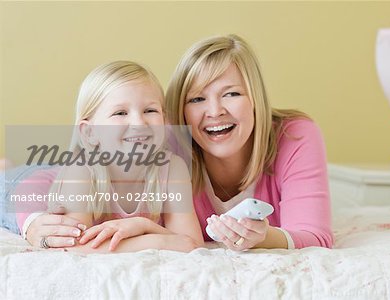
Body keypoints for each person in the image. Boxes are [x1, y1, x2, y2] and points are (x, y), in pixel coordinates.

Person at [164, 34, 333, 250]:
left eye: (231, 94)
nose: (215, 111)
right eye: (197, 99)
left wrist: (263, 238)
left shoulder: (295, 135)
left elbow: (316, 237)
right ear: (182, 111)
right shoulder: (168, 146)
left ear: (255, 99)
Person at [14, 61, 203, 253]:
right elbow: (74, 246)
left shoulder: (172, 167)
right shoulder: (81, 170)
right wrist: (157, 241)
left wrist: (144, 226)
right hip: (33, 181)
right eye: (120, 113)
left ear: (165, 120)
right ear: (89, 132)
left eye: (150, 110)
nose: (139, 122)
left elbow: (191, 243)